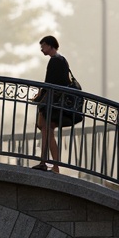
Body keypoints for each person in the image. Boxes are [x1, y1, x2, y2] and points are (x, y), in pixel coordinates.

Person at [32, 35, 71, 172]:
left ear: (49, 45)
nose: (42, 49)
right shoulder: (62, 60)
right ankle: (49, 163)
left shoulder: (55, 61)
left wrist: (40, 96)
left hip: (52, 104)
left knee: (47, 131)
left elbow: (49, 83)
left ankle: (51, 165)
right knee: (47, 132)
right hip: (57, 103)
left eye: (43, 46)